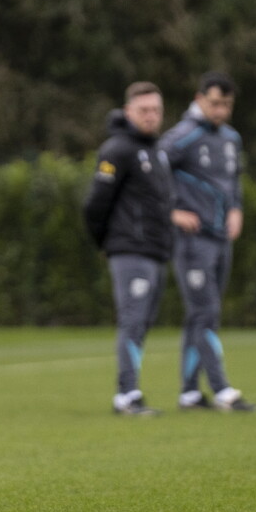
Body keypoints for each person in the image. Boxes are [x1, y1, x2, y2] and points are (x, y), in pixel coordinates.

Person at [158, 72, 256, 412]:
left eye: (227, 104)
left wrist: (236, 210)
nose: (221, 110)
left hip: (220, 238)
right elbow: (149, 176)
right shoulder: (181, 137)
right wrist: (171, 212)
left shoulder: (231, 138)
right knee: (205, 312)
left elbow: (233, 182)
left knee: (200, 317)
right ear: (199, 99)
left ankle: (189, 393)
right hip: (191, 240)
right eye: (215, 103)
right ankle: (222, 389)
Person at [82, 82, 175, 416]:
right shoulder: (116, 150)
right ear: (128, 111)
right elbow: (95, 204)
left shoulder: (157, 150)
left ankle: (131, 390)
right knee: (132, 321)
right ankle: (127, 396)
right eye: (144, 110)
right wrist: (106, 243)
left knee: (144, 322)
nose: (151, 117)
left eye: (156, 110)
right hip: (129, 251)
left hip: (155, 251)